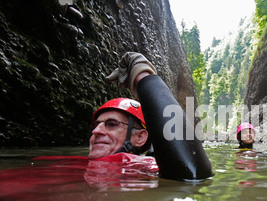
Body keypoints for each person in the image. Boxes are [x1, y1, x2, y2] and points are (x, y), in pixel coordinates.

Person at [91, 52, 214, 182]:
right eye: (95, 125)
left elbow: (192, 173)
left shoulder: (144, 169)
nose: (96, 131)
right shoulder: (69, 162)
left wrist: (142, 76)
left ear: (140, 137)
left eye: (112, 124)